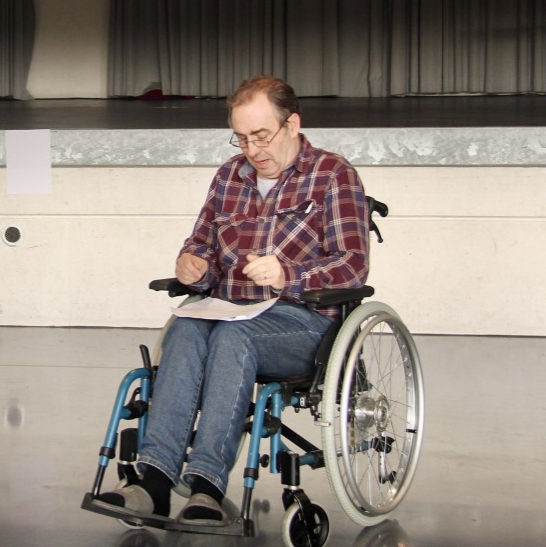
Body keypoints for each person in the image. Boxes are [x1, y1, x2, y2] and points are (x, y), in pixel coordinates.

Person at [98, 75, 370, 523]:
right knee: (185, 329)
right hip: (229, 309)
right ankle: (155, 480)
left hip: (303, 320)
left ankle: (206, 485)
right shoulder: (230, 175)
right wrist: (193, 264)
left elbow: (352, 265)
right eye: (241, 138)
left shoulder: (333, 176)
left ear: (293, 124)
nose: (252, 149)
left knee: (233, 338)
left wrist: (290, 275)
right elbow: (201, 242)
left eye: (262, 136)